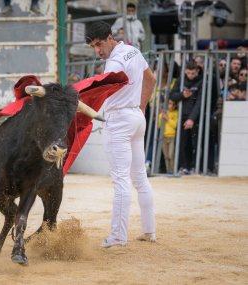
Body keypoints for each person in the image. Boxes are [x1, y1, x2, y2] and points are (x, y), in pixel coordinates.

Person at [85, 21, 156, 247]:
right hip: (136, 117)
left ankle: (117, 237)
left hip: (119, 120)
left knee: (121, 180)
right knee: (140, 178)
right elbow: (151, 79)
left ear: (109, 38)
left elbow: (101, 91)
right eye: (93, 47)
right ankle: (149, 231)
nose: (98, 50)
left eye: (99, 44)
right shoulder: (133, 50)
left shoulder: (113, 63)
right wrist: (142, 107)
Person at [170, 61, 202, 175]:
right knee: (183, 143)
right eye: (188, 73)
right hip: (183, 115)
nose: (191, 76)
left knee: (196, 143)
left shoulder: (201, 81)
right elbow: (172, 95)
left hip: (196, 118)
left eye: (193, 73)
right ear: (185, 71)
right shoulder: (181, 80)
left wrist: (192, 119)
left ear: (197, 72)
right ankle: (184, 167)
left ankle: (195, 166)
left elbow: (200, 102)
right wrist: (182, 95)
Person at [158, 99, 178, 174]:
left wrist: (167, 119)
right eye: (169, 104)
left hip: (172, 137)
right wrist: (161, 116)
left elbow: (175, 125)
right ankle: (168, 170)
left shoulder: (176, 113)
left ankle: (172, 170)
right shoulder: (163, 113)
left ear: (175, 105)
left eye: (173, 104)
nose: (171, 106)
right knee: (166, 155)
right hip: (164, 137)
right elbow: (159, 125)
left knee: (170, 155)